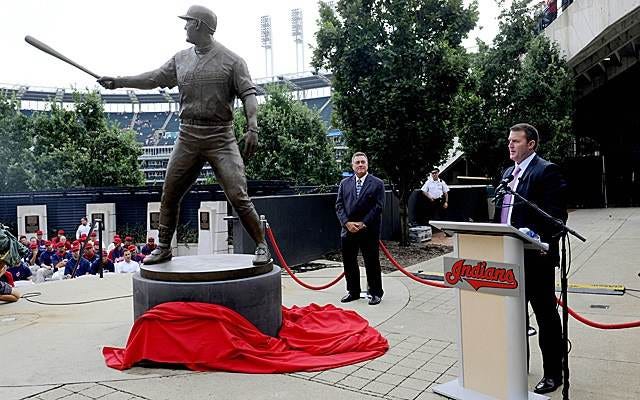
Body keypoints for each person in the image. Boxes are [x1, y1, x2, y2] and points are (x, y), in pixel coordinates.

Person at [98, 5, 270, 266]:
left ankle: (261, 244)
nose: (184, 27)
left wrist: (252, 127)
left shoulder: (232, 60)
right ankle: (164, 246)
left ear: (199, 25)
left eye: (188, 22)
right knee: (170, 192)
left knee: (237, 195)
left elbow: (249, 94)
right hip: (188, 134)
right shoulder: (181, 58)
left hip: (220, 137)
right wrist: (119, 81)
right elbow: (154, 77)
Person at [494, 123, 567, 395]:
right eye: (509, 141)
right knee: (513, 317)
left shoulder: (545, 171)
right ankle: (517, 365)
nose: (510, 145)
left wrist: (533, 233)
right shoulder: (507, 173)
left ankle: (553, 374)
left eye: (516, 141)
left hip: (535, 258)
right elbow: (502, 213)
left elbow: (557, 216)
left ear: (531, 144)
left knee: (546, 316)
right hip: (507, 258)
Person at [335, 152, 385, 305]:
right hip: (348, 229)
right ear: (353, 166)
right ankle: (353, 291)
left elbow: (378, 207)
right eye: (357, 162)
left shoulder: (377, 183)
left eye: (363, 162)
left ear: (367, 164)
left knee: (372, 262)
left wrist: (363, 223)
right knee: (349, 262)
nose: (360, 164)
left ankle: (376, 293)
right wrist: (346, 223)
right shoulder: (344, 183)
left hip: (368, 230)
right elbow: (339, 206)